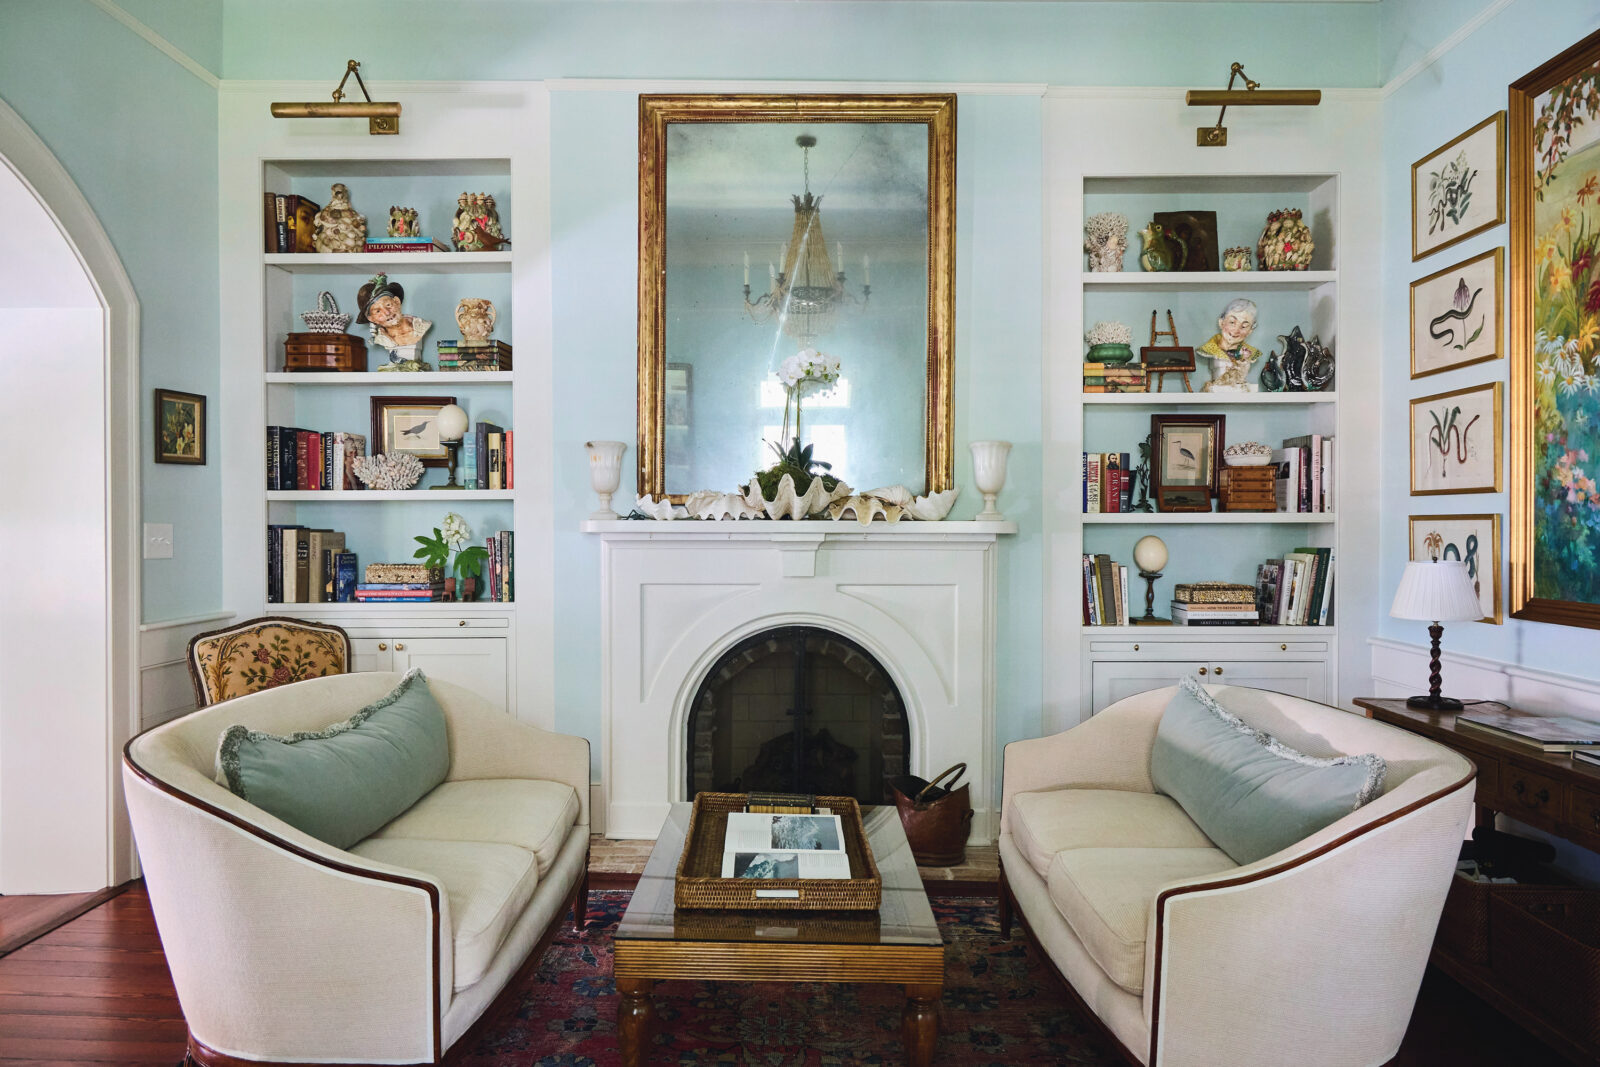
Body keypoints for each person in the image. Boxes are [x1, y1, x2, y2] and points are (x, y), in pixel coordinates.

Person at [355, 273, 432, 369]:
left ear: (397, 302)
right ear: (372, 319)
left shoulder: (421, 325)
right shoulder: (381, 338)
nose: (387, 313)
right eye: (378, 311)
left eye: (388, 305)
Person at [1197, 297, 1261, 392]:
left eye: (1244, 326)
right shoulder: (1208, 349)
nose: (1236, 330)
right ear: (1221, 322)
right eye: (1232, 322)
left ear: (1250, 331)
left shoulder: (1251, 353)